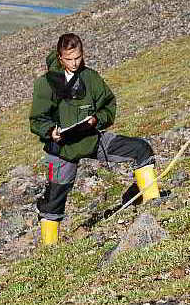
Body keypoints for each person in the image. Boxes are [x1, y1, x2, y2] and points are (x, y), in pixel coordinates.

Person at [29, 33, 160, 245]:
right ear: (60, 57)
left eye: (78, 58)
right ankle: (49, 250)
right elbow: (37, 120)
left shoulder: (91, 78)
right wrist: (50, 131)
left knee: (141, 150)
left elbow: (108, 106)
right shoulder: (45, 84)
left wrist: (97, 120)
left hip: (91, 138)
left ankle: (154, 205)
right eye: (69, 59)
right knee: (53, 201)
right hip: (62, 150)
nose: (74, 63)